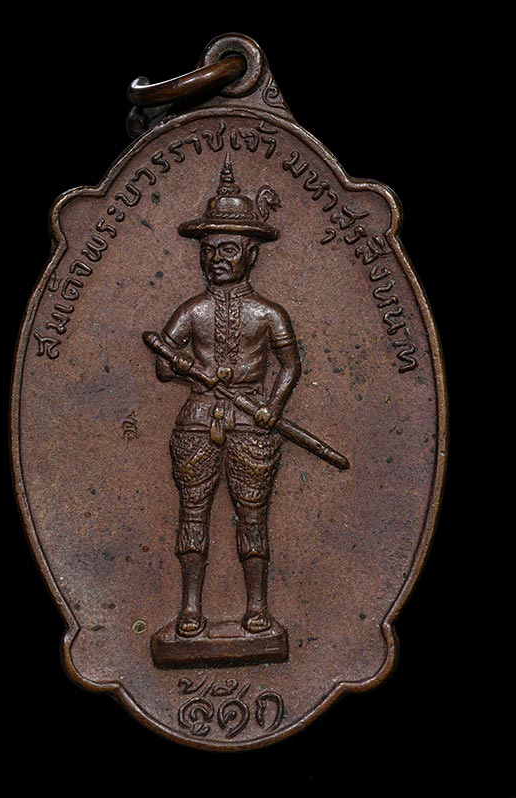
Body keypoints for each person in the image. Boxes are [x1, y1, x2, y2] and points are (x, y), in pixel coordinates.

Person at [151, 155, 301, 638]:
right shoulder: (192, 311)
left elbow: (290, 366)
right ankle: (191, 608)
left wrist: (272, 406)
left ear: (251, 254)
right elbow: (162, 363)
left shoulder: (269, 314)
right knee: (192, 513)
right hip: (198, 419)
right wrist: (182, 366)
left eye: (229, 248)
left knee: (252, 514)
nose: (217, 257)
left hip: (251, 421)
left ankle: (257, 608)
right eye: (209, 249)